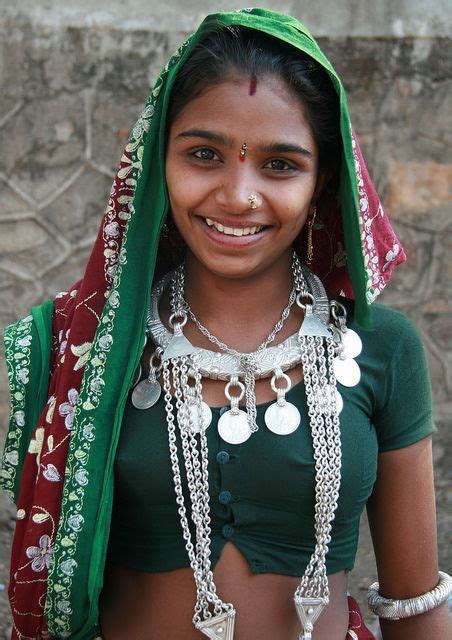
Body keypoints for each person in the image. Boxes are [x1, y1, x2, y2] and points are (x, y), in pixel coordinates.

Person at [1, 8, 450, 640]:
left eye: (279, 165)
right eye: (204, 154)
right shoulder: (87, 346)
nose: (239, 195)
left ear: (323, 181)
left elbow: (415, 603)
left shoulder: (381, 348)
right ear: (158, 161)